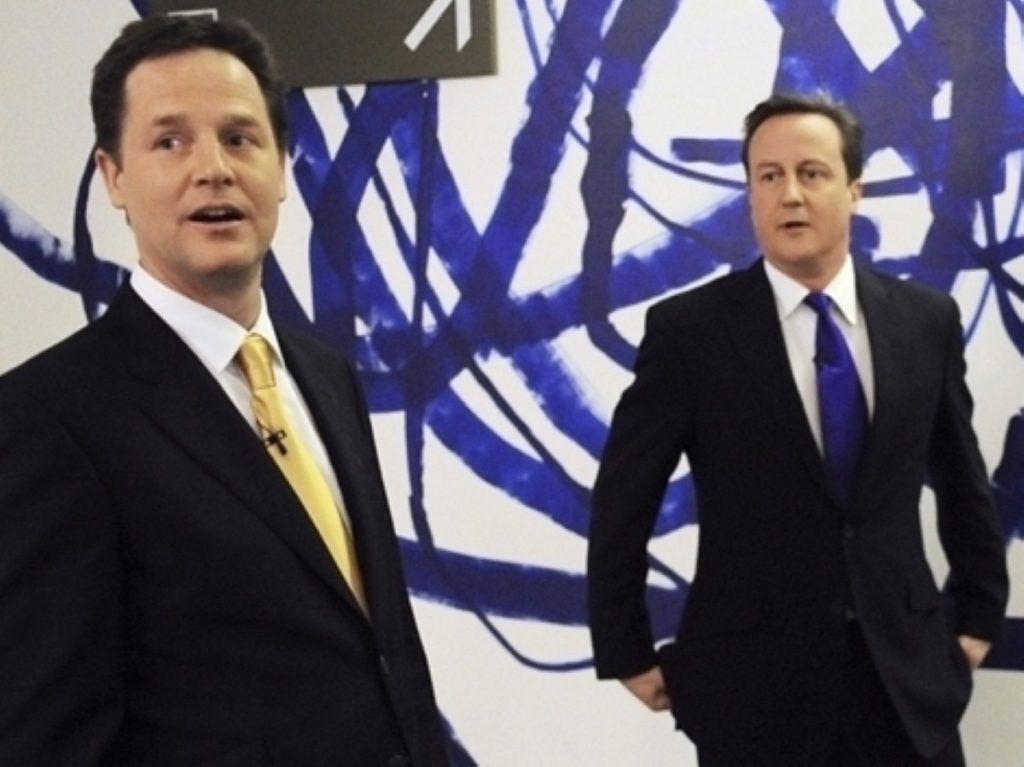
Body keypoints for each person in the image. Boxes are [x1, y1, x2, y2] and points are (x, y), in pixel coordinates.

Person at [0, 15, 448, 765]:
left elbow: (378, 653)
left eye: (240, 138)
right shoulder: (48, 418)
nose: (213, 168)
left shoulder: (325, 373)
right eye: (169, 141)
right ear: (113, 176)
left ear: (283, 161)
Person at [587, 93, 1008, 766]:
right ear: (750, 194)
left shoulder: (925, 322)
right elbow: (622, 500)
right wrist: (623, 647)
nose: (789, 194)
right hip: (751, 694)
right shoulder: (688, 333)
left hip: (905, 680)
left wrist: (981, 615)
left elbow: (962, 480)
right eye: (768, 176)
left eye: (811, 173)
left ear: (854, 190)